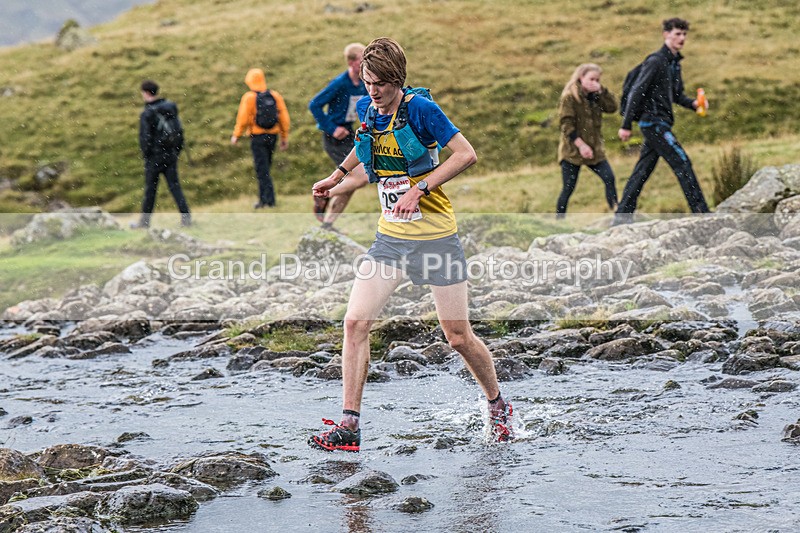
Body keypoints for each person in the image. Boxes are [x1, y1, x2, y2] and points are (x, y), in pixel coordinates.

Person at [309, 37, 513, 452]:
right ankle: (349, 426)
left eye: (381, 84)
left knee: (457, 336)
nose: (373, 91)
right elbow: (362, 146)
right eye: (368, 83)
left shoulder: (421, 110)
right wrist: (336, 177)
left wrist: (419, 189)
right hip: (390, 240)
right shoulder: (370, 109)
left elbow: (465, 154)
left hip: (436, 238)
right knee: (355, 323)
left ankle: (497, 405)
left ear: (398, 80)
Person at [614, 17, 709, 224]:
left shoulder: (674, 64)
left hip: (661, 123)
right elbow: (637, 91)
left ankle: (621, 218)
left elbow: (677, 95)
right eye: (677, 34)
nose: (682, 38)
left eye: (684, 34)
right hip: (653, 123)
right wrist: (626, 125)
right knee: (682, 162)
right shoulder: (656, 61)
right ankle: (702, 214)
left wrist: (694, 104)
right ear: (666, 34)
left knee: (642, 171)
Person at [308, 43, 370, 230]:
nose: (366, 63)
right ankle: (323, 193)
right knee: (361, 178)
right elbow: (314, 104)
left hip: (350, 134)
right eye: (361, 59)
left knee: (350, 185)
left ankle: (328, 225)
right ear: (351, 62)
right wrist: (332, 128)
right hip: (334, 138)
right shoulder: (340, 83)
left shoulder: (364, 84)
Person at [557, 63, 618, 217]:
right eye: (591, 79)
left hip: (595, 150)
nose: (594, 82)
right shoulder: (569, 97)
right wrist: (581, 145)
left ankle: (617, 214)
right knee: (568, 188)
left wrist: (602, 91)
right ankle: (558, 220)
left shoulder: (596, 96)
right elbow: (566, 125)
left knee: (609, 178)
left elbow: (612, 107)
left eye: (597, 80)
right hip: (572, 151)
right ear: (581, 77)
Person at [133, 79, 191, 229]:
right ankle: (186, 218)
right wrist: (175, 151)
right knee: (175, 187)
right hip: (170, 154)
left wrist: (147, 155)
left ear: (146, 93)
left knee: (150, 191)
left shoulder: (147, 113)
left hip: (154, 157)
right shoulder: (170, 107)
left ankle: (144, 223)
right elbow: (178, 131)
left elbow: (145, 138)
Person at [231, 68, 290, 208]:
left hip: (257, 137)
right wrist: (284, 137)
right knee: (266, 167)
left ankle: (268, 200)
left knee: (262, 170)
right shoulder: (274, 95)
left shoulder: (249, 97)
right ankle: (266, 200)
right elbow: (284, 118)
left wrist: (236, 135)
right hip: (273, 136)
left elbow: (243, 119)